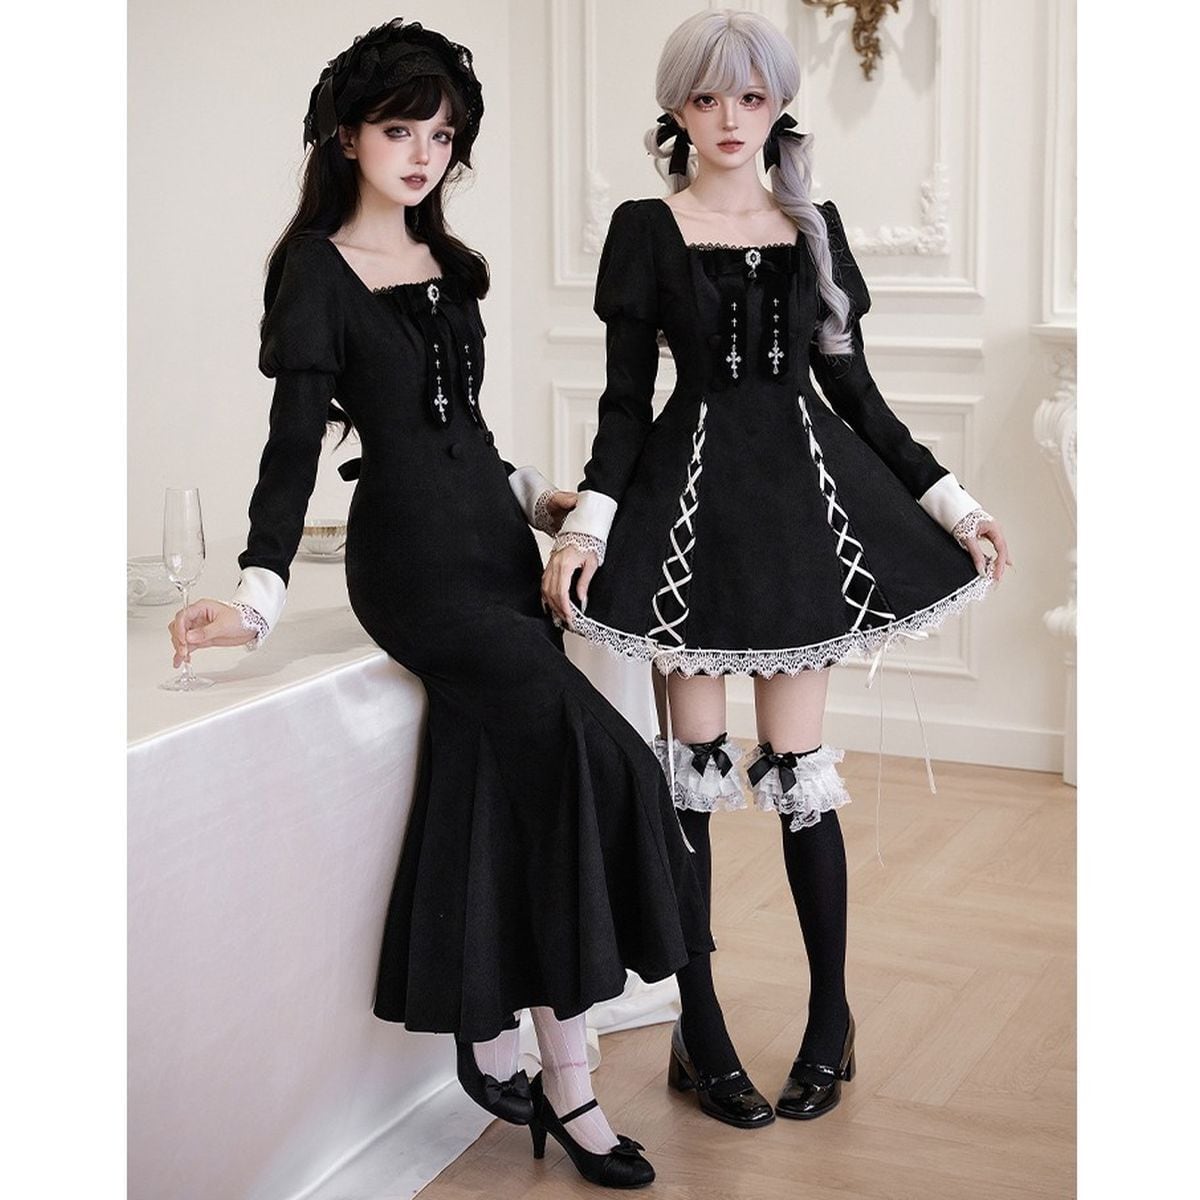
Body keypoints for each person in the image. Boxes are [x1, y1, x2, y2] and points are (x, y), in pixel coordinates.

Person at [167, 18, 727, 1187]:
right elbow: (291, 453)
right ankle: (556, 1078)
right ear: (347, 137)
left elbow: (463, 429)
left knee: (517, 795)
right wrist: (256, 598)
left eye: (441, 135)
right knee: (606, 765)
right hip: (415, 570)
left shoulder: (446, 263)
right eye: (399, 131)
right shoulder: (314, 270)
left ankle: (519, 1053)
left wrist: (543, 502)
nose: (424, 154)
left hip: (495, 549)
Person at [542, 8, 1012, 1125]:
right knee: (692, 789)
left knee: (801, 782)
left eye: (750, 98)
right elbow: (623, 407)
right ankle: (698, 1032)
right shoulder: (644, 231)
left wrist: (955, 504)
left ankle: (829, 1020)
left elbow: (857, 393)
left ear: (779, 106)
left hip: (805, 524)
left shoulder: (815, 227)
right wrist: (588, 528)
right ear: (677, 108)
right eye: (706, 98)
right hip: (687, 531)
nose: (728, 119)